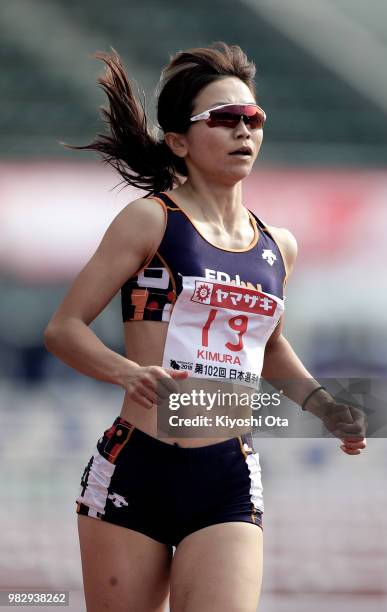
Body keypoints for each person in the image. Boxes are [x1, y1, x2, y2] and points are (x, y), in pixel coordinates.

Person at [44, 42, 367, 612]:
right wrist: (127, 372)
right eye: (224, 118)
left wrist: (325, 406)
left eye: (253, 118)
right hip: (137, 464)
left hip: (226, 474)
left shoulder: (277, 247)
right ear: (179, 142)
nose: (244, 130)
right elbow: (64, 328)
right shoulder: (151, 220)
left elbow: (267, 347)